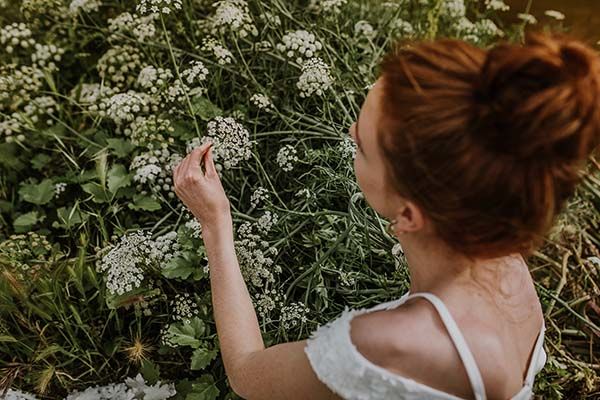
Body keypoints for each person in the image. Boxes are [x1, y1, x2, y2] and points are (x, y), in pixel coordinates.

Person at [172, 31, 600, 400]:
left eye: (360, 146)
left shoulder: (390, 344)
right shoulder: (507, 263)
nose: (347, 136)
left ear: (410, 214)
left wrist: (215, 224)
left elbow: (248, 374)